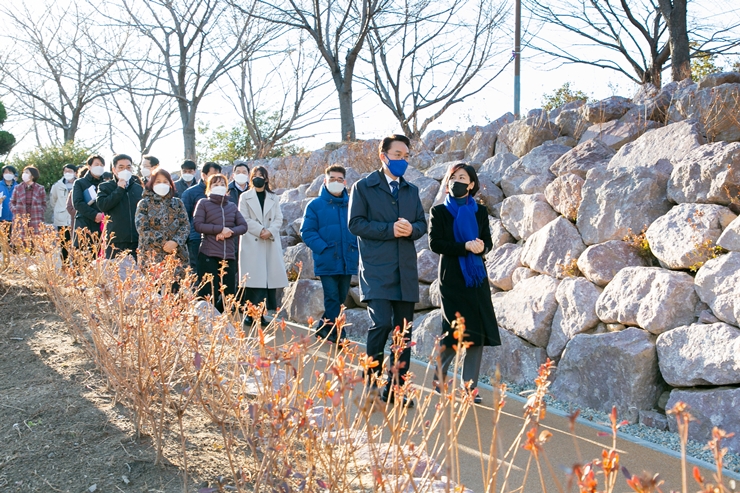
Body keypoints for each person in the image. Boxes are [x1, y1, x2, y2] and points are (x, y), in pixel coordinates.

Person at [348, 134, 426, 407]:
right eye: (397, 155)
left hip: (404, 269)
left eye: (406, 156)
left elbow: (421, 225)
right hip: (376, 268)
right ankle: (370, 381)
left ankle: (396, 389)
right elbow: (355, 224)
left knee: (403, 334)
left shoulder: (412, 191)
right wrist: (388, 229)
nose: (402, 160)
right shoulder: (363, 187)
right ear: (383, 156)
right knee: (381, 324)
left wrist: (411, 230)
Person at [429, 163, 501, 404]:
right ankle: (439, 378)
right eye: (453, 177)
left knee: (476, 334)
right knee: (453, 331)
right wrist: (464, 247)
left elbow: (488, 241)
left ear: (471, 184)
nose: (456, 181)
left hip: (476, 278)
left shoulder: (479, 212)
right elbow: (435, 244)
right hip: (451, 278)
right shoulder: (439, 211)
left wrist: (482, 247)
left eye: (462, 177)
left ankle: (469, 387)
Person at [301, 165, 358, 343]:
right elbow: (307, 231)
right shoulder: (315, 205)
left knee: (340, 299)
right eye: (332, 178)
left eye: (339, 179)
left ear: (345, 182)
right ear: (325, 181)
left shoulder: (352, 204)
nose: (336, 182)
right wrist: (324, 248)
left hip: (347, 258)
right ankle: (339, 334)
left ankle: (323, 329)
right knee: (332, 297)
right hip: (327, 259)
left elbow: (359, 228)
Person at [238, 166, 288, 324]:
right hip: (253, 240)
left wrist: (270, 231)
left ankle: (260, 314)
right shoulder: (245, 197)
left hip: (269, 241)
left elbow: (279, 218)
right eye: (255, 175)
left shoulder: (274, 197)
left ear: (266, 179)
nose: (257, 178)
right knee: (253, 280)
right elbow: (244, 218)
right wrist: (260, 230)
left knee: (266, 281)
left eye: (261, 175)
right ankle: (249, 314)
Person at [193, 173, 248, 313]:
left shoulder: (232, 206)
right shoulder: (203, 203)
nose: (219, 187)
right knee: (207, 293)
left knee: (228, 295)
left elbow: (243, 226)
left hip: (228, 255)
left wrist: (229, 231)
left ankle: (218, 320)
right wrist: (219, 229)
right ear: (209, 188)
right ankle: (205, 322)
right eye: (215, 184)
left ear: (227, 188)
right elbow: (198, 225)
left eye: (222, 184)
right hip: (208, 253)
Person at [135, 168, 191, 280]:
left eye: (165, 182)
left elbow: (185, 225)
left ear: (170, 184)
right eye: (158, 181)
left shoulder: (177, 203)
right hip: (151, 256)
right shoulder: (144, 203)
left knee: (175, 292)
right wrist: (165, 242)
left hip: (177, 255)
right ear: (152, 183)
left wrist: (175, 242)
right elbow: (142, 228)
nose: (162, 184)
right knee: (154, 293)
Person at [96, 154, 144, 259]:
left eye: (128, 167)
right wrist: (119, 189)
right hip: (116, 240)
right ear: (114, 169)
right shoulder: (105, 187)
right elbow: (103, 206)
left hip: (136, 239)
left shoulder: (138, 188)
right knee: (115, 273)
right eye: (121, 167)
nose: (125, 170)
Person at [182, 162, 222, 272]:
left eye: (218, 175)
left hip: (218, 238)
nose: (216, 178)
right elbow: (184, 218)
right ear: (203, 175)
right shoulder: (190, 193)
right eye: (213, 175)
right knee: (199, 272)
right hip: (197, 238)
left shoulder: (222, 193)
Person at [72, 155, 107, 247]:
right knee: (84, 254)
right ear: (89, 166)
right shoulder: (80, 183)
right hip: (84, 223)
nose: (99, 167)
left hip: (102, 225)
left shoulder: (106, 184)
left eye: (101, 165)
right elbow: (77, 203)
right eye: (96, 164)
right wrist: (94, 215)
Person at [9, 166, 47, 241]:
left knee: (34, 242)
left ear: (32, 176)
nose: (24, 174)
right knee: (21, 244)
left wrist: (40, 211)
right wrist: (15, 210)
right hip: (20, 218)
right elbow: (12, 202)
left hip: (35, 218)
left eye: (27, 172)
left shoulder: (40, 188)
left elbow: (44, 204)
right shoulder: (17, 188)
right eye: (24, 172)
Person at [49, 164, 77, 262]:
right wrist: (59, 209)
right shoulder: (57, 185)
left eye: (70, 171)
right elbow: (53, 200)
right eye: (65, 171)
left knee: (76, 242)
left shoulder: (79, 183)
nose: (67, 173)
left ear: (75, 172)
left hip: (75, 216)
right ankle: (65, 265)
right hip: (62, 217)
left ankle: (76, 265)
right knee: (64, 242)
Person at [0, 165, 18, 231]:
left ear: (13, 174)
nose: (8, 174)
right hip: (1, 219)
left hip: (15, 219)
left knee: (13, 240)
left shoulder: (18, 187)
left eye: (10, 173)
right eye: (6, 172)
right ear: (3, 174)